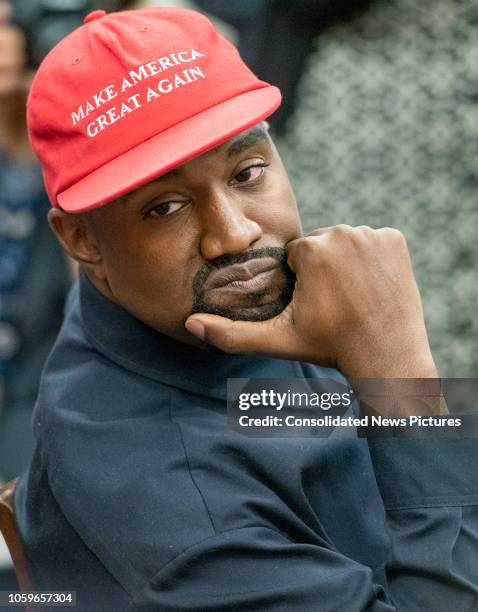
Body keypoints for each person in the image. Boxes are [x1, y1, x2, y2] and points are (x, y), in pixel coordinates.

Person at [14, 6, 478, 611]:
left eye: (247, 171)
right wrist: (403, 380)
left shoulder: (193, 321)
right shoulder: (177, 505)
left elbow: (290, 422)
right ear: (82, 241)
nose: (233, 234)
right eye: (164, 208)